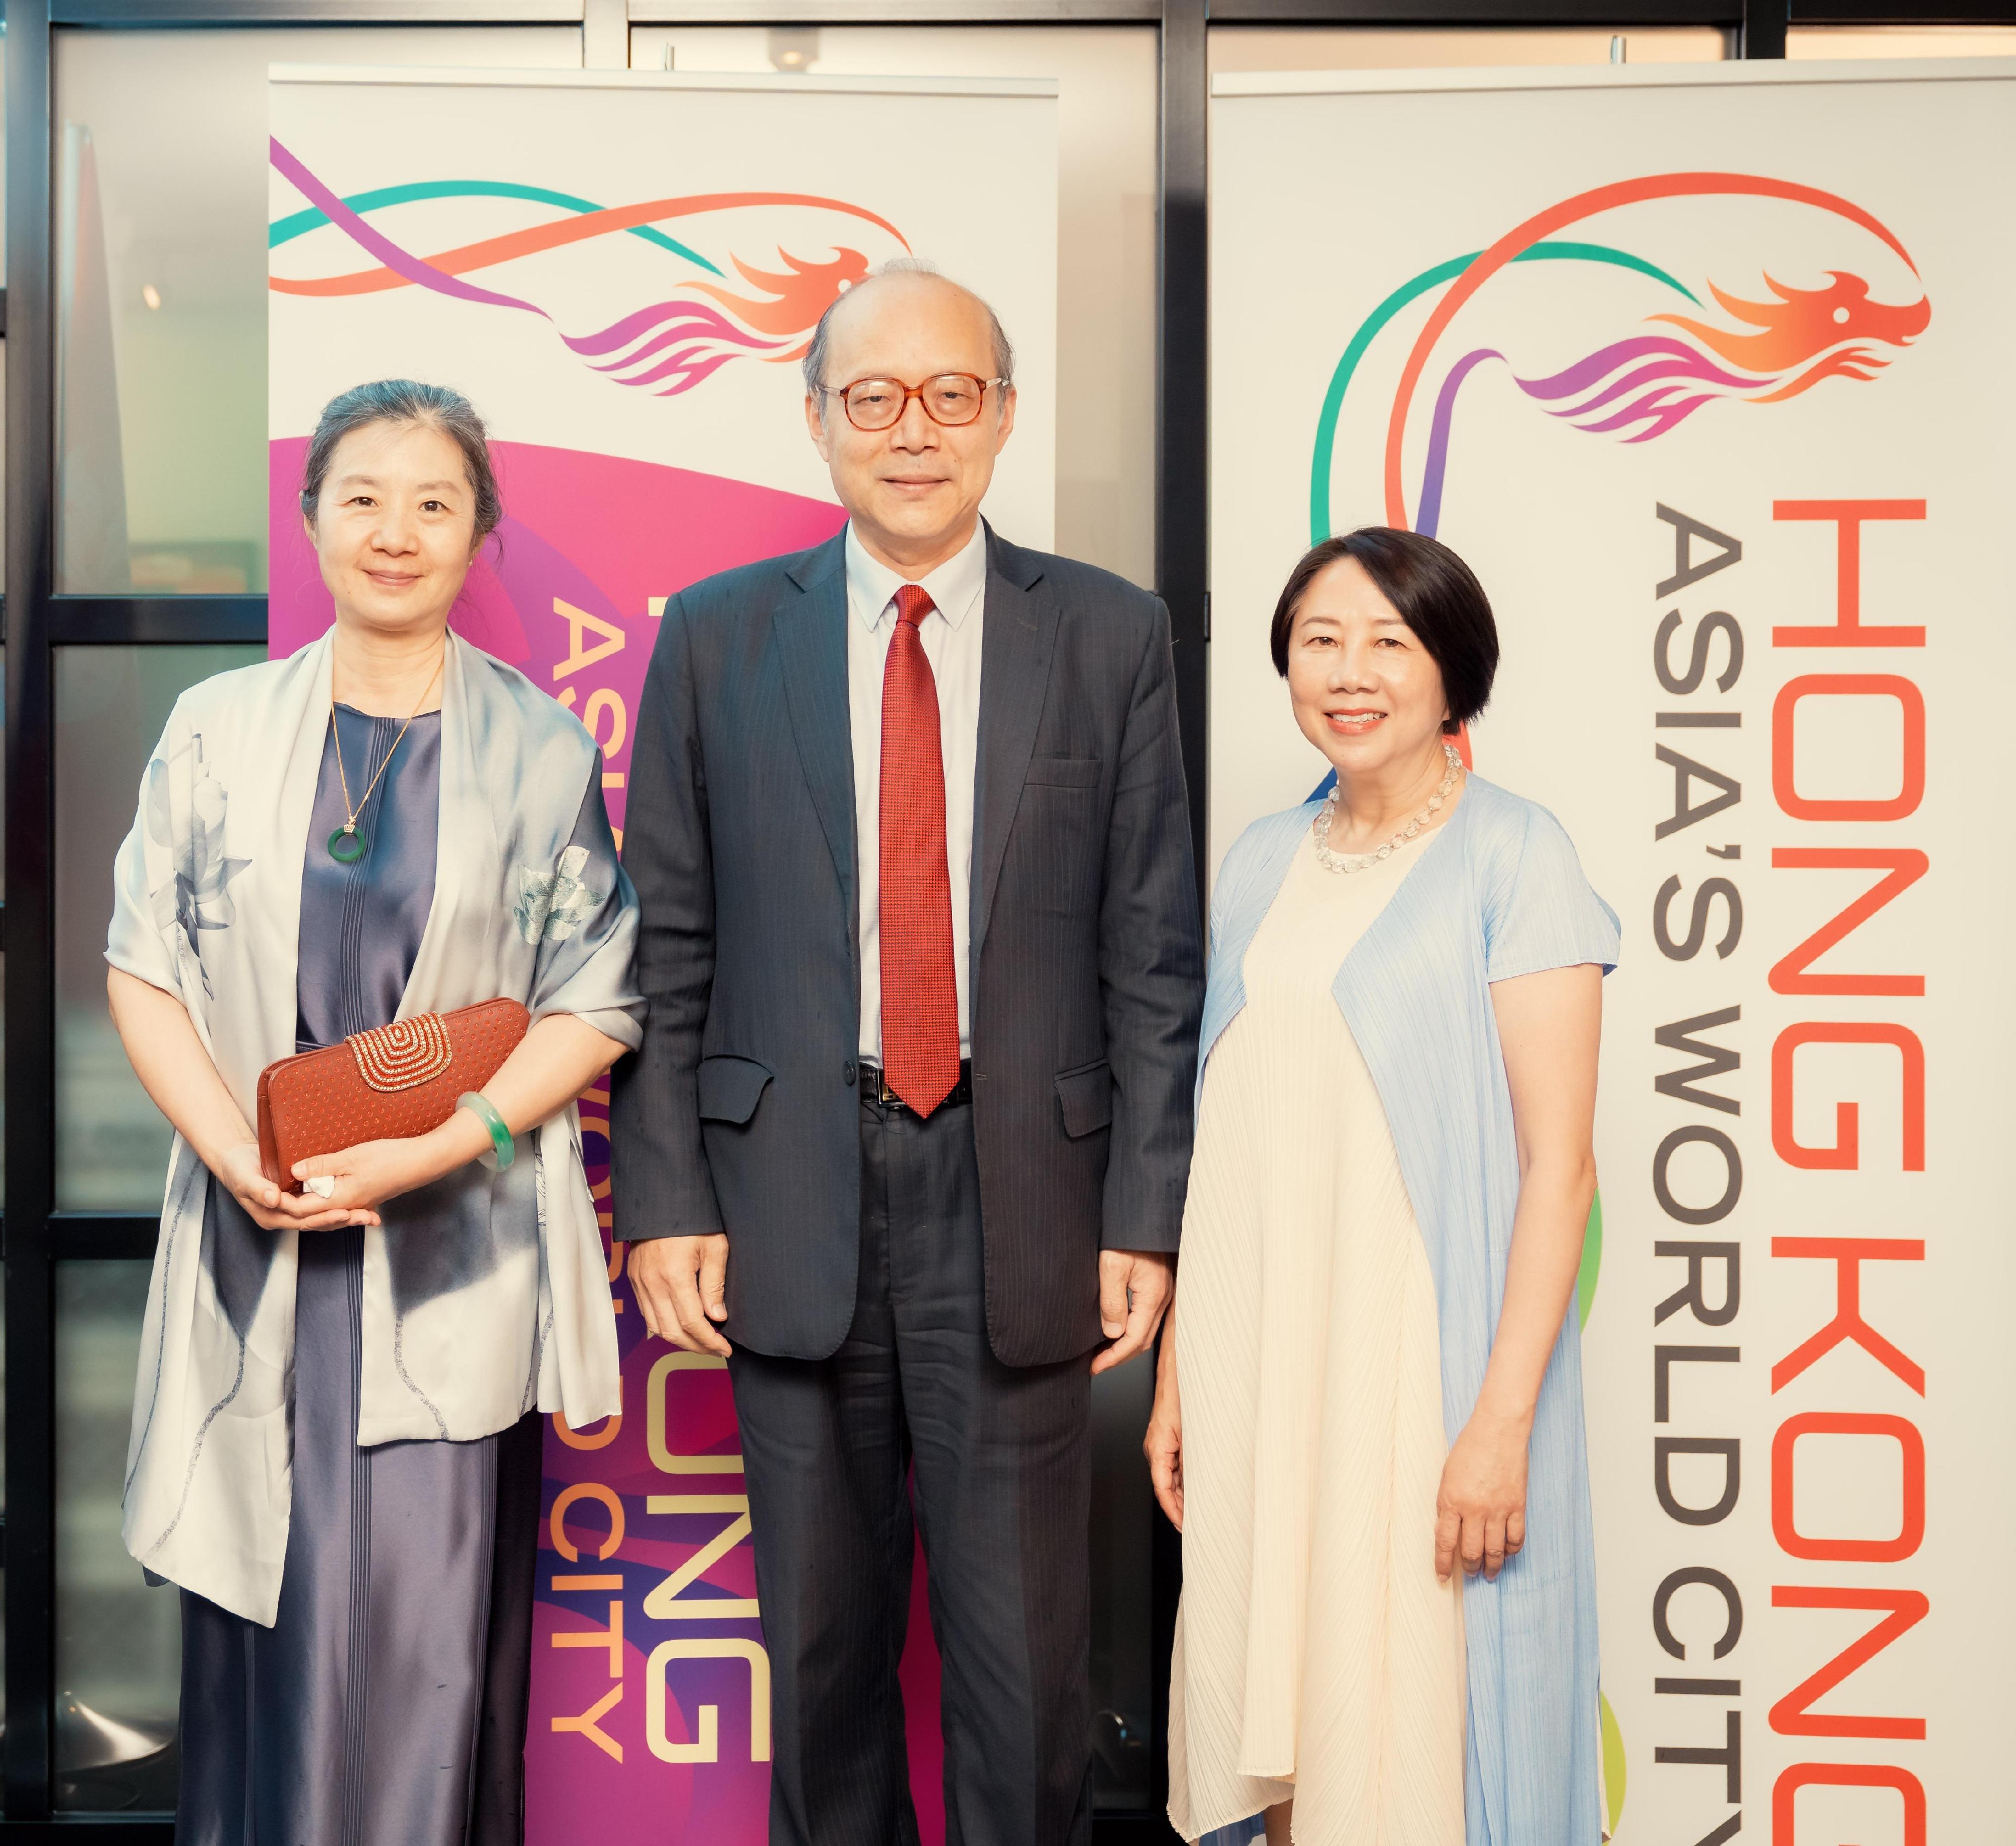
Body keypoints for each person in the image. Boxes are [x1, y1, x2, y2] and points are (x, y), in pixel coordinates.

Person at [612, 261, 1204, 1845]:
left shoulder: (1107, 633)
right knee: (817, 1661)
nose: (913, 430)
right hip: (787, 1188)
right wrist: (665, 1198)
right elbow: (666, 946)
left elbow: (1153, 953)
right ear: (817, 422)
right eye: (872, 397)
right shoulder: (721, 637)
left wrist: (1147, 1213)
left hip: (1024, 1199)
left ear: (1005, 416)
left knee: (1027, 1680)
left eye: (952, 394)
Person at [107, 380, 642, 1846]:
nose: (395, 532)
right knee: (264, 1635)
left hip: (446, 1248)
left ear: (481, 535)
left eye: (433, 503)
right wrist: (237, 1158)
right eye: (363, 498)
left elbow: (597, 998)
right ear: (312, 519)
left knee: (422, 1652)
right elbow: (141, 969)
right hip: (254, 1241)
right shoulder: (215, 730)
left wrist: (437, 1147)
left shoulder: (538, 749)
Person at [1150, 529, 1618, 1846]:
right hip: (1263, 1371)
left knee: (1406, 1731)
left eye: (1388, 642)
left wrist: (1500, 1425)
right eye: (1319, 642)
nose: (1349, 674)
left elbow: (1558, 1171)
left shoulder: (1518, 858)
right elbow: (1223, 1136)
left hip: (1418, 1386)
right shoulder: (1258, 861)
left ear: (1453, 667)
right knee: (1282, 1724)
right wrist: (1185, 1373)